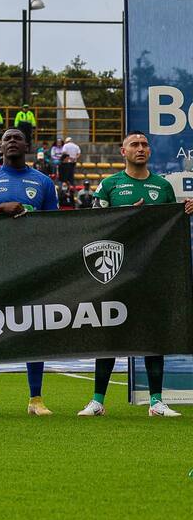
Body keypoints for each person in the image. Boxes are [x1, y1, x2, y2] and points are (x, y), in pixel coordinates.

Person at [78, 131, 193, 417]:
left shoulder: (162, 186)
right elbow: (93, 224)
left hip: (152, 272)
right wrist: (125, 215)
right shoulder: (109, 185)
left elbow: (169, 226)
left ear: (149, 152)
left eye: (144, 145)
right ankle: (97, 401)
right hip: (115, 272)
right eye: (134, 145)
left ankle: (156, 402)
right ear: (123, 151)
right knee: (109, 334)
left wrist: (184, 211)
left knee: (154, 334)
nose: (140, 149)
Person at [0, 127, 58, 416]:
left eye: (18, 138)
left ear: (27, 146)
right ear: (0, 148)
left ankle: (36, 400)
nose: (13, 142)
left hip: (30, 264)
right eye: (7, 139)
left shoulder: (43, 182)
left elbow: (55, 226)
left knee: (33, 328)